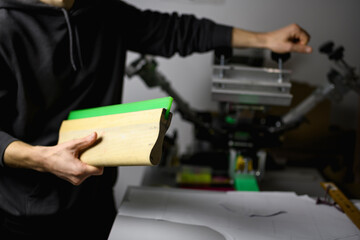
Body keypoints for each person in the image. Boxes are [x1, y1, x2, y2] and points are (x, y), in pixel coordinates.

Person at [0, 0, 312, 239]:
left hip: (95, 201)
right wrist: (41, 158)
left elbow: (178, 31)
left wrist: (266, 40)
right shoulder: (5, 24)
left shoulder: (104, 10)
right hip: (28, 215)